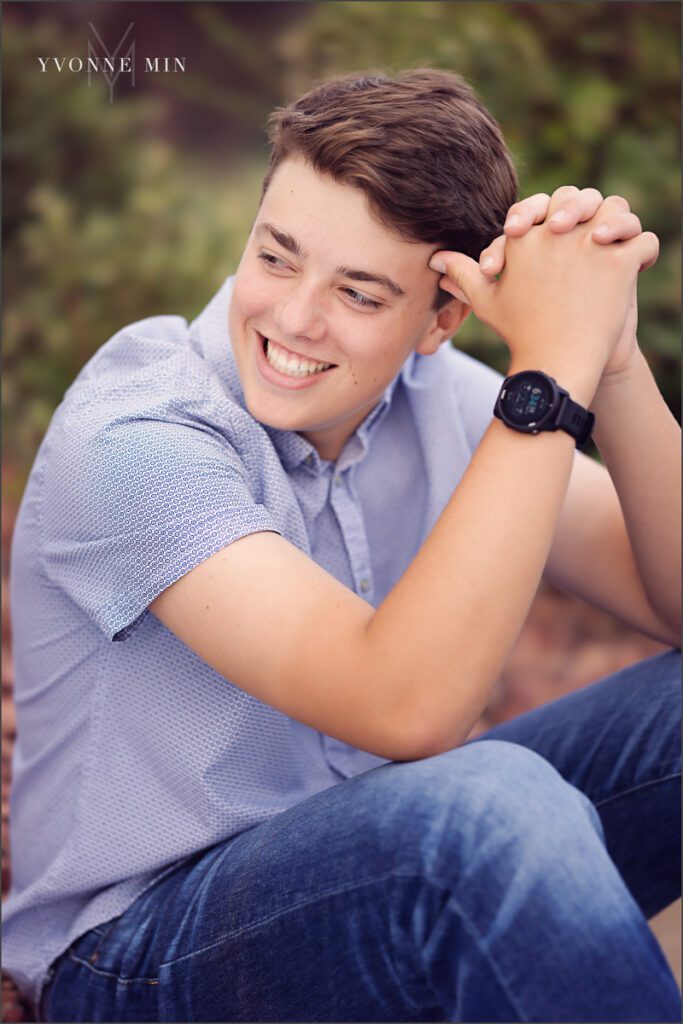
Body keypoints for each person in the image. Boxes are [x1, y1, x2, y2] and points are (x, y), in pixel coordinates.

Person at [3, 69, 680, 1023]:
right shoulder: (138, 437)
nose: (292, 318)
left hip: (376, 875)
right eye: (276, 258)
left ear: (443, 317)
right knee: (484, 807)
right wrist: (544, 376)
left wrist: (604, 355)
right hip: (134, 953)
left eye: (359, 294)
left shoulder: (434, 406)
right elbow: (406, 708)